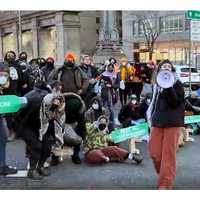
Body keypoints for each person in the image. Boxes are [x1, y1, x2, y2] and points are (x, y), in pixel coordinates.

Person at [147, 59, 185, 189]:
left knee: (168, 156)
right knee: (154, 153)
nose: (167, 67)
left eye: (169, 66)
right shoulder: (157, 86)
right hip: (157, 122)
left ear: (172, 70)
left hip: (172, 123)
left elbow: (175, 102)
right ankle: (164, 172)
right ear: (160, 70)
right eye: (164, 66)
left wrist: (168, 87)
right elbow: (153, 104)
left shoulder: (177, 84)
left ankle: (165, 184)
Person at [16, 80, 51, 179]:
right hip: (24, 124)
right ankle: (32, 170)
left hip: (40, 125)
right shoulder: (32, 97)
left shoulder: (52, 100)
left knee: (47, 147)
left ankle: (40, 166)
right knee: (36, 146)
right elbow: (18, 111)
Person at [4, 51, 28, 141]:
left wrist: (24, 84)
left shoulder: (18, 67)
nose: (10, 57)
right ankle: (11, 132)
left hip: (16, 94)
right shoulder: (3, 67)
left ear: (14, 57)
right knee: (8, 114)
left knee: (17, 114)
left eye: (12, 56)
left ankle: (19, 132)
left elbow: (23, 80)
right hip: (5, 94)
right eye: (8, 56)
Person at [0, 62, 18, 175]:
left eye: (6, 75)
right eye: (1, 74)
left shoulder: (4, 86)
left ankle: (2, 166)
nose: (3, 77)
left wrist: (13, 81)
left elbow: (11, 93)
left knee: (2, 139)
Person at [62, 92, 87, 164]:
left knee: (77, 139)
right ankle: (55, 156)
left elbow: (82, 124)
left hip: (74, 122)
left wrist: (81, 137)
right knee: (58, 140)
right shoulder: (58, 105)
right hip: (61, 121)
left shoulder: (80, 109)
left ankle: (75, 156)